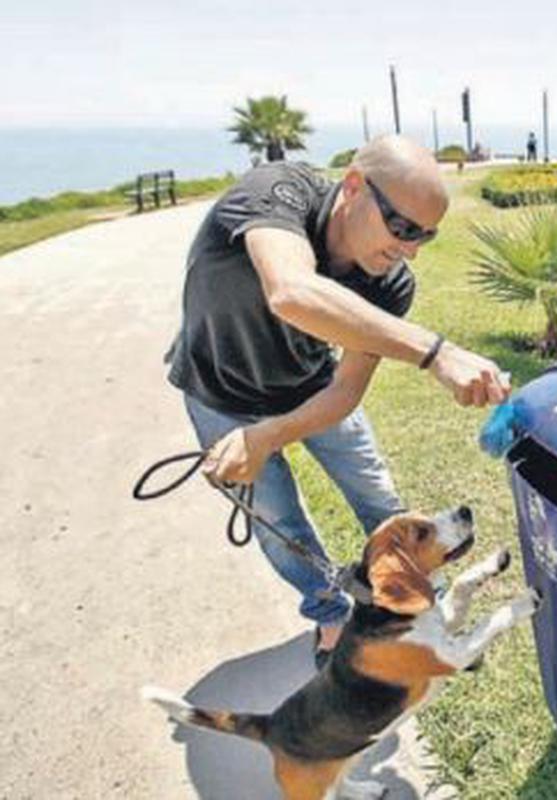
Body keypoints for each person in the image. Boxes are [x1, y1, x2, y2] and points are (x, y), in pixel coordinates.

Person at [165, 134, 509, 667]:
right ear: (353, 186)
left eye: (426, 236)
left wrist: (270, 434)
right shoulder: (274, 193)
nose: (410, 248)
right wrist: (434, 351)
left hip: (313, 391)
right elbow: (291, 292)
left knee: (380, 498)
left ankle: (419, 601)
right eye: (402, 227)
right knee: (279, 526)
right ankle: (330, 616)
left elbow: (346, 390)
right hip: (220, 395)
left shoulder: (389, 283)